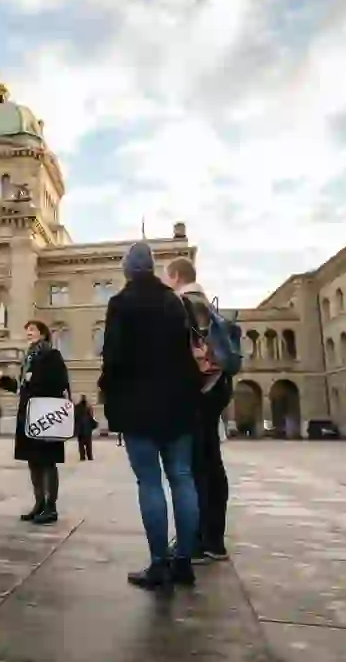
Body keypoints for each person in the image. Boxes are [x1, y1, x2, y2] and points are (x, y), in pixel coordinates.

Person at [98, 242, 202, 591]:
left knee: (150, 482)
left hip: (138, 405)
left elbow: (112, 358)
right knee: (183, 478)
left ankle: (159, 563)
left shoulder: (121, 304)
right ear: (153, 268)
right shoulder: (174, 301)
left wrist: (108, 396)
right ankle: (184, 561)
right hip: (179, 402)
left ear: (128, 270)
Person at [168, 257, 232, 563]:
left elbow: (176, 350)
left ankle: (196, 541)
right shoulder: (207, 302)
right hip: (219, 385)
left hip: (200, 388)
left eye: (168, 279)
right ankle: (214, 540)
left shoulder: (184, 302)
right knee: (211, 462)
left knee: (195, 466)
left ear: (176, 276)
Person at [0, 320, 71, 525]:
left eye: (32, 330)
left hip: (46, 416)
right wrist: (3, 381)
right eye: (27, 330)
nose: (28, 333)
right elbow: (23, 388)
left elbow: (59, 382)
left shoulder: (51, 355)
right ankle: (39, 504)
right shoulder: (28, 357)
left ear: (43, 333)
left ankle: (51, 507)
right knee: (33, 461)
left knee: (48, 462)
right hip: (29, 415)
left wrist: (33, 380)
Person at [75, 395, 97, 461]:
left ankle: (82, 457)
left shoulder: (77, 407)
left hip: (80, 429)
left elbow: (75, 417)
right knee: (88, 444)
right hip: (87, 428)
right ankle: (89, 456)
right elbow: (92, 416)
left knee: (81, 444)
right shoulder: (88, 407)